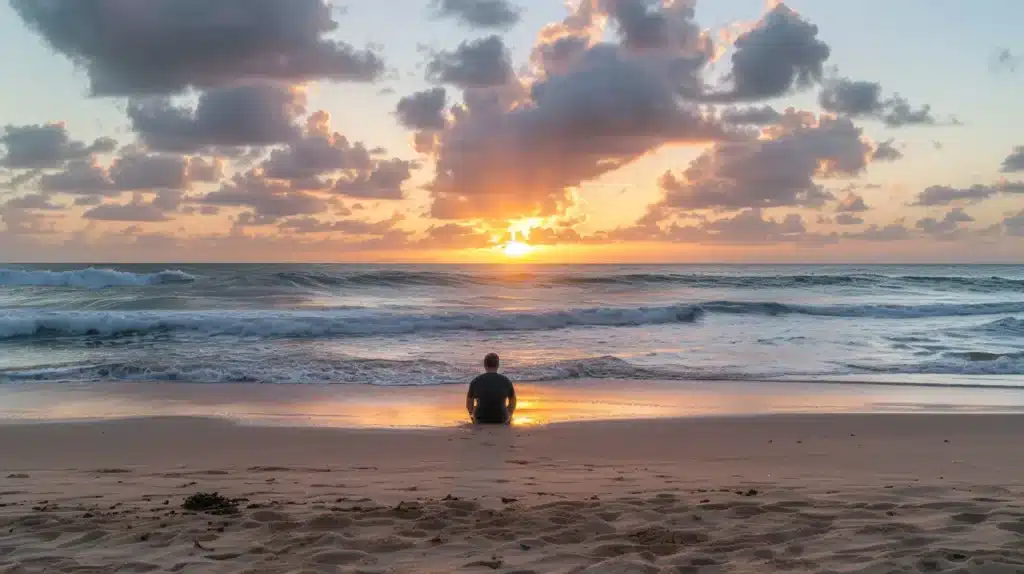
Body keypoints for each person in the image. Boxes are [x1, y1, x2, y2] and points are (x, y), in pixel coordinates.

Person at [466, 353, 516, 424]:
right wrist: (510, 413)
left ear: (484, 365)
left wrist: (472, 415)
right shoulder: (506, 381)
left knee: (475, 407)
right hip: (501, 419)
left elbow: (469, 404)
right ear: (498, 365)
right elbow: (513, 401)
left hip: (480, 419)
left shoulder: (475, 381)